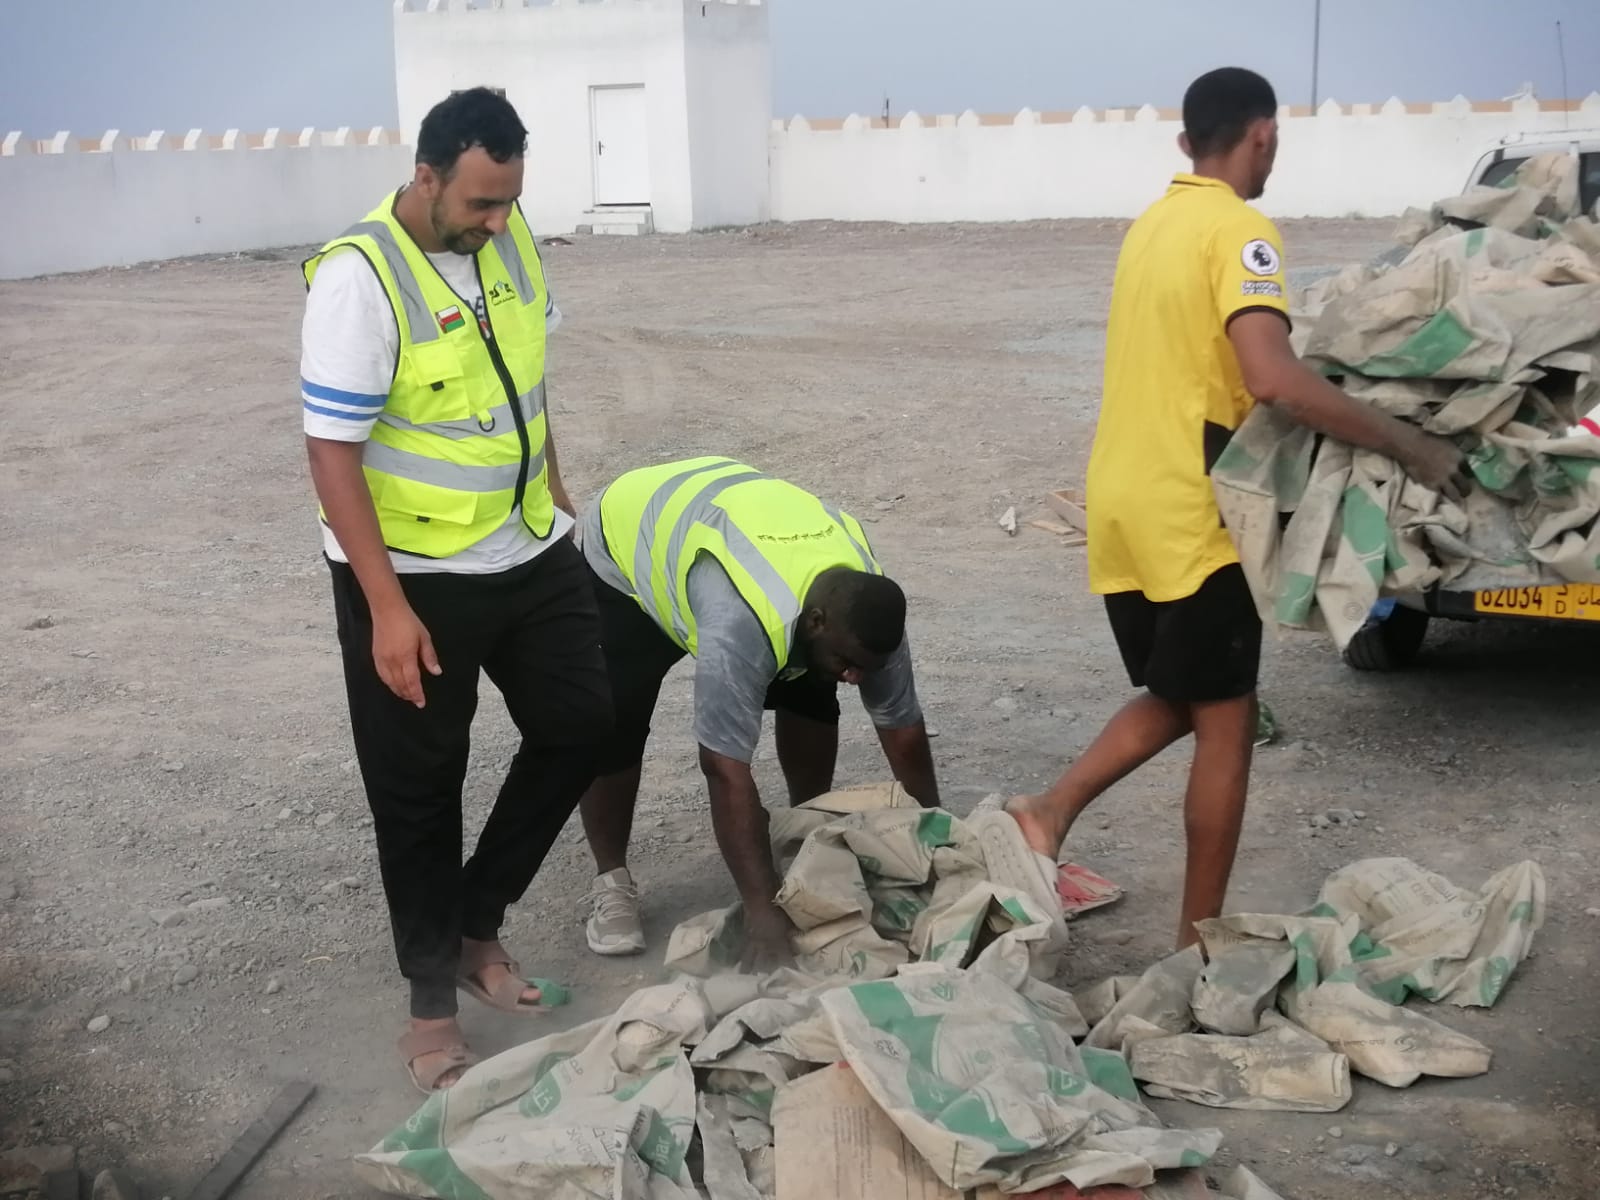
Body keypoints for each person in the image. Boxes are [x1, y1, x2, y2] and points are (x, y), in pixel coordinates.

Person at [1007, 68, 1466, 949]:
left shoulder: (1152, 226)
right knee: (1228, 720)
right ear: (1263, 134)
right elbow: (1271, 377)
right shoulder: (1242, 231)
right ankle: (1197, 941)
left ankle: (1050, 811)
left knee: (1187, 693)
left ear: (1186, 142)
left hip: (1124, 498)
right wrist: (1410, 444)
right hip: (1197, 510)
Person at [300, 88, 612, 1093]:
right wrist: (386, 609)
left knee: (583, 723)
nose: (497, 222)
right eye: (480, 203)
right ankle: (431, 1009)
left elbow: (527, 382)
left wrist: (555, 492)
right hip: (413, 577)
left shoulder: (509, 242)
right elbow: (332, 450)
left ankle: (478, 925)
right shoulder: (360, 278)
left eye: (509, 200)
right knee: (419, 790)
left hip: (527, 547)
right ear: (426, 177)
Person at [574, 457, 940, 968]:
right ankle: (611, 880)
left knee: (813, 689)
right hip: (628, 543)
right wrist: (761, 910)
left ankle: (803, 836)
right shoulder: (740, 624)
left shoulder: (867, 618)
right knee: (616, 720)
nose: (857, 676)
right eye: (850, 663)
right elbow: (724, 769)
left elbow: (903, 730)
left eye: (866, 668)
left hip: (731, 522)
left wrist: (935, 842)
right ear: (815, 621)